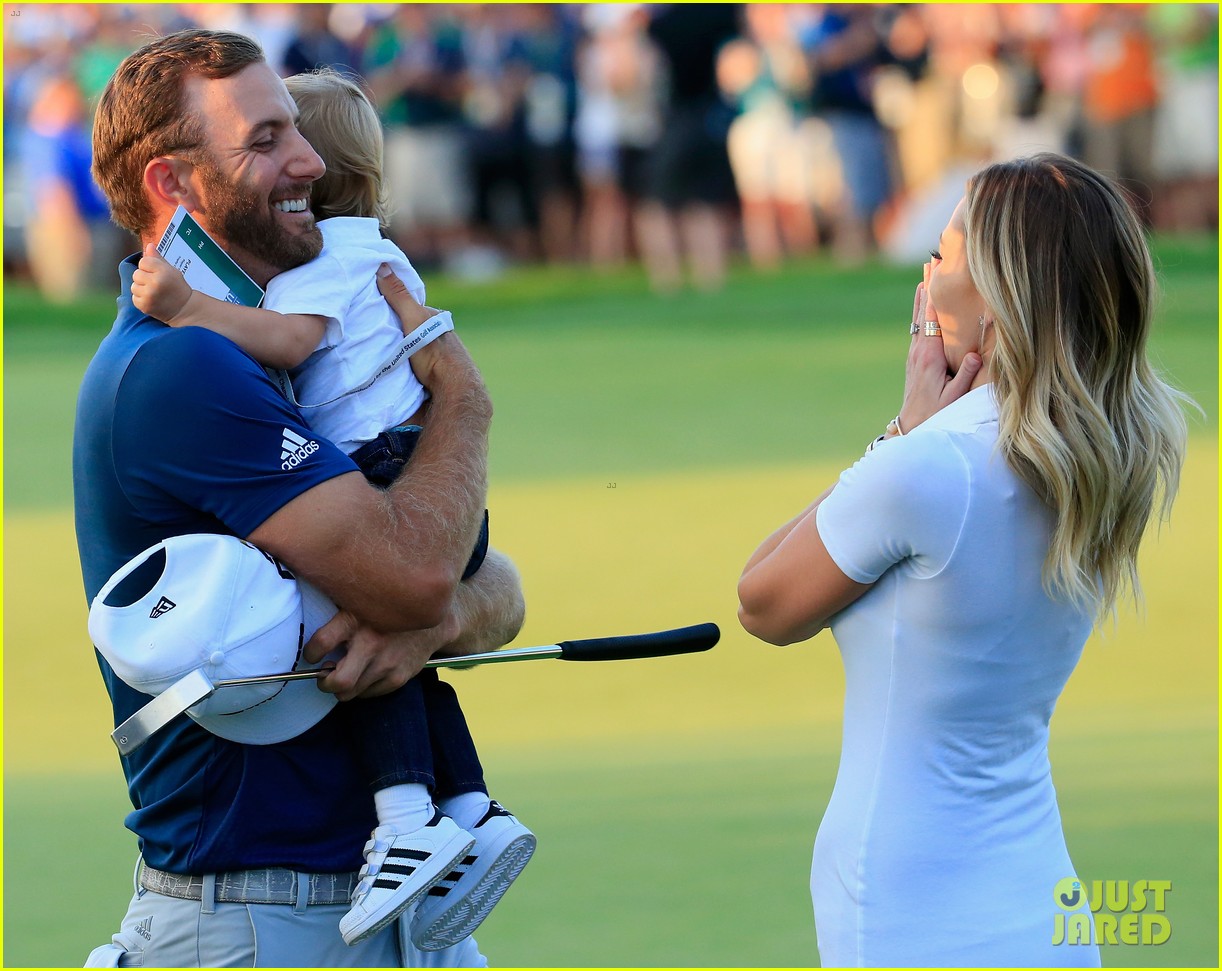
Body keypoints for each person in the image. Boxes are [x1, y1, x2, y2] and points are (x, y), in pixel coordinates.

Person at [77, 28, 524, 968]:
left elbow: (488, 589)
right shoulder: (183, 366)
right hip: (262, 913)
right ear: (172, 184)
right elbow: (413, 578)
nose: (312, 160)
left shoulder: (271, 345)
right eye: (266, 137)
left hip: (359, 906)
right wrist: (466, 404)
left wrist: (424, 620)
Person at [737, 153, 1189, 966]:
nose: (925, 269)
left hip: (911, 907)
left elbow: (762, 601)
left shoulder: (931, 466)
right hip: (1043, 901)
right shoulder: (1098, 451)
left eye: (942, 253)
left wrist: (898, 434)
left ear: (997, 294)